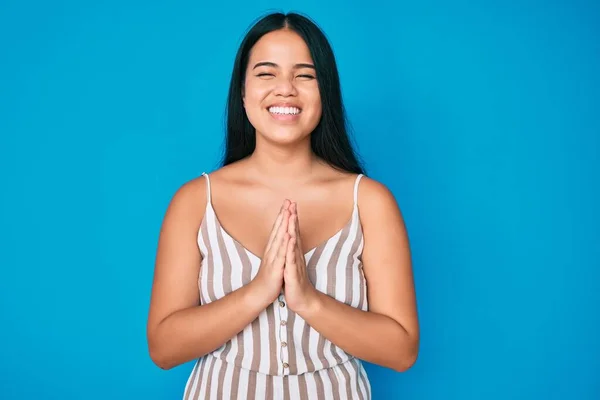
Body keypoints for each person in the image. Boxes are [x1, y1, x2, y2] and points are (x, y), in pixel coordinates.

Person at [146, 11, 419, 400]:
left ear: (326, 91)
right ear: (242, 93)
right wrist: (257, 291)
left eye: (305, 75)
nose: (286, 89)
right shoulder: (194, 201)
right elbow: (163, 348)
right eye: (266, 73)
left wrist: (308, 300)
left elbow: (402, 350)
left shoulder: (371, 202)